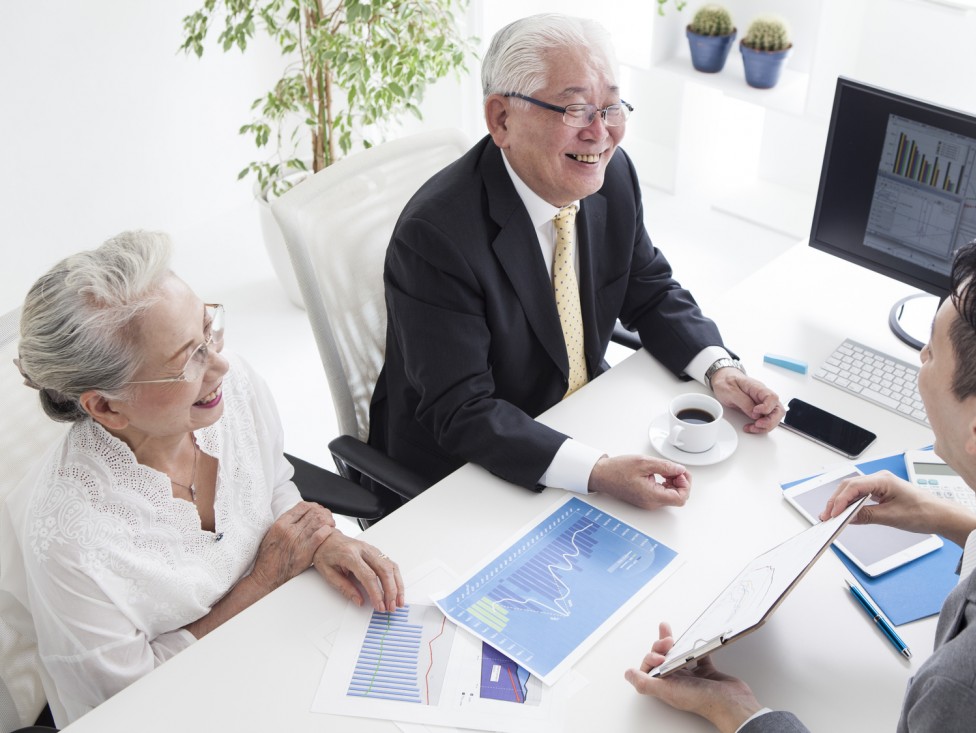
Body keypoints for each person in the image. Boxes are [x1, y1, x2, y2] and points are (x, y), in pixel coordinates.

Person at [626, 220, 976, 732]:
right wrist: (945, 518)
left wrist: (741, 714)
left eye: (932, 351)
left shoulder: (972, 694)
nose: (920, 358)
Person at [369, 13, 784, 510]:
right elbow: (463, 412)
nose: (601, 134)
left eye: (612, 107)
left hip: (579, 420)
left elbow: (649, 287)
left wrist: (718, 368)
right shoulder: (434, 239)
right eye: (576, 110)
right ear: (501, 119)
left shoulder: (612, 177)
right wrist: (597, 472)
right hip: (467, 475)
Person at [3, 231, 404, 727]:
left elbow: (273, 482)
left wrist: (317, 540)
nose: (219, 365)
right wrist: (263, 579)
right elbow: (129, 705)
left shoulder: (229, 391)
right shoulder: (69, 540)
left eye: (208, 329)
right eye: (186, 360)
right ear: (105, 406)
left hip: (284, 646)